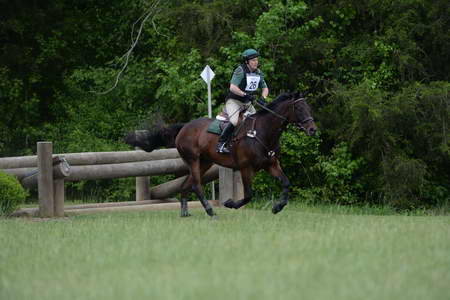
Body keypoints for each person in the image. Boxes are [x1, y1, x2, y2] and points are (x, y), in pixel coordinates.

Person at [216, 48, 269, 154]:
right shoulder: (240, 70)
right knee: (234, 121)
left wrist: (263, 98)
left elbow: (265, 88)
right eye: (253, 60)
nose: (256, 62)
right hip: (234, 101)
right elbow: (232, 87)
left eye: (257, 60)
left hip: (247, 103)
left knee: (258, 122)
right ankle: (221, 144)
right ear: (247, 61)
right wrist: (245, 94)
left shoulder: (258, 72)